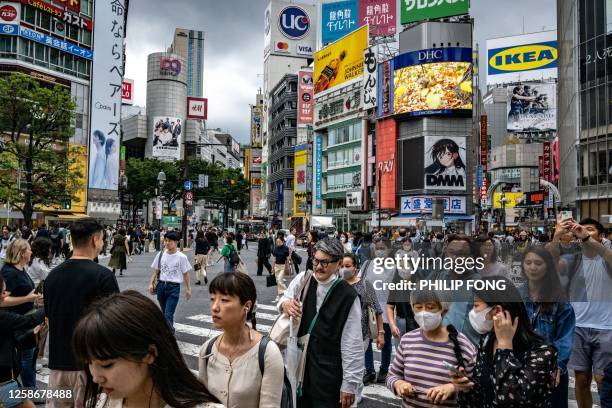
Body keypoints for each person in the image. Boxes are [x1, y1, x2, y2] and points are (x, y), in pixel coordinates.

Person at [72, 291, 222, 408]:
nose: (96, 378)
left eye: (107, 365)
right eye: (89, 364)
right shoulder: (97, 404)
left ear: (149, 353)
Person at [44, 218, 119, 408]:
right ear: (95, 240)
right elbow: (113, 324)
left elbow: (49, 316)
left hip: (57, 365)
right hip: (90, 367)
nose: (102, 244)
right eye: (102, 239)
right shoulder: (103, 276)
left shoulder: (52, 276)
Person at [279, 238, 363, 408]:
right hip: (301, 363)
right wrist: (285, 304)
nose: (318, 267)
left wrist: (349, 384)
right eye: (315, 260)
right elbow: (284, 299)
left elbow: (352, 343)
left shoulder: (348, 295)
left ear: (338, 263)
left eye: (325, 262)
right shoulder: (304, 279)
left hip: (330, 370)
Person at [450, 276, 558, 407]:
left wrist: (505, 347)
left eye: (476, 305)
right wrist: (467, 389)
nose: (472, 312)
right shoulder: (488, 341)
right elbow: (483, 396)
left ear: (497, 311)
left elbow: (510, 400)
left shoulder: (542, 353)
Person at [199, 273, 284, 407]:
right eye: (212, 299)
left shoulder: (268, 353)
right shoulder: (207, 350)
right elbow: (202, 402)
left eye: (224, 300)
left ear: (247, 306)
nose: (214, 307)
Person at [552, 217, 612, 407]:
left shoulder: (606, 256)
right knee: (581, 379)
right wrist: (556, 237)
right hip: (578, 327)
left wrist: (586, 237)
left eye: (590, 230)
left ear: (601, 235)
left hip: (607, 327)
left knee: (604, 380)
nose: (582, 232)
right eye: (581, 229)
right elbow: (550, 264)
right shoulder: (573, 259)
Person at [386, 288, 477, 407]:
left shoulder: (462, 345)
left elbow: (475, 386)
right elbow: (392, 376)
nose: (423, 313)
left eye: (430, 307)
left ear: (444, 310)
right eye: (418, 307)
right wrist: (399, 384)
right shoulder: (407, 340)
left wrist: (453, 388)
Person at [517, 247, 575, 407]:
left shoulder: (560, 300)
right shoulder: (516, 295)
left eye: (538, 263)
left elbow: (565, 337)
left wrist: (558, 365)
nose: (532, 267)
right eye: (528, 262)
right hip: (521, 365)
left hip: (550, 367)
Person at [340, 252, 384, 399]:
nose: (344, 269)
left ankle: (356, 395)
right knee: (342, 364)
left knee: (356, 364)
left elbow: (377, 310)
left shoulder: (364, 285)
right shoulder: (337, 284)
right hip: (339, 333)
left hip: (361, 334)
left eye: (348, 266)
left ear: (355, 268)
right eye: (341, 266)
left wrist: (381, 333)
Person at [0, 273, 46, 408]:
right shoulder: (2, 316)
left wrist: (32, 334)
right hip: (3, 379)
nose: (6, 295)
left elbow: (9, 343)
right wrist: (50, 305)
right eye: (3, 292)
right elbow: (29, 321)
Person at [0, 239, 41, 390]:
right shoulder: (10, 272)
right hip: (18, 321)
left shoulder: (20, 269)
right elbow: (3, 301)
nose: (31, 252)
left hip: (24, 317)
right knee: (27, 356)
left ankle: (25, 388)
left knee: (26, 356)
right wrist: (28, 298)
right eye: (29, 250)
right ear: (22, 253)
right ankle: (30, 390)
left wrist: (34, 298)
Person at [360, 237, 395, 384]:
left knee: (385, 341)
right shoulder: (368, 265)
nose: (380, 251)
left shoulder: (394, 267)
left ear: (388, 250)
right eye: (378, 248)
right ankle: (369, 369)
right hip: (368, 309)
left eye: (383, 248)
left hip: (387, 309)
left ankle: (384, 369)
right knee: (366, 340)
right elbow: (359, 282)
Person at [148, 230, 192, 332]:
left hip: (174, 287)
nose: (167, 243)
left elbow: (186, 274)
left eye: (170, 241)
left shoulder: (182, 257)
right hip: (161, 286)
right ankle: (170, 330)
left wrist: (189, 289)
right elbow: (156, 271)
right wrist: (151, 283)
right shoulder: (160, 254)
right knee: (165, 313)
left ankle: (169, 334)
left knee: (168, 313)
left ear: (176, 242)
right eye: (166, 240)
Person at [271, 236, 290, 302]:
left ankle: (288, 292)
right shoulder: (275, 248)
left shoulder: (286, 248)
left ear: (283, 241)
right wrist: (272, 267)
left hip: (283, 266)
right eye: (277, 242)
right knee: (278, 281)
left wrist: (287, 266)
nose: (278, 243)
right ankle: (279, 296)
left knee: (279, 280)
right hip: (276, 266)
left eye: (279, 242)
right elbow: (274, 259)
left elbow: (288, 259)